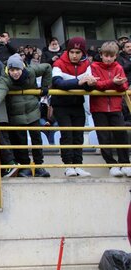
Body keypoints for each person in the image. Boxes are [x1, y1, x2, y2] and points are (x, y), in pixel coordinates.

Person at [0, 53, 52, 177]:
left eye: (17, 69)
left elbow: (47, 67)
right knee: (21, 142)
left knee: (37, 140)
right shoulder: (5, 79)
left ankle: (39, 166)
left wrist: (45, 86)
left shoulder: (31, 71)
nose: (15, 73)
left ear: (22, 68)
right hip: (16, 115)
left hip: (33, 112)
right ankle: (24, 167)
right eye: (12, 70)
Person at [52, 36, 96, 177]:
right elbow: (58, 83)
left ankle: (78, 165)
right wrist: (79, 81)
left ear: (82, 53)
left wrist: (90, 83)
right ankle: (68, 166)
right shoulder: (58, 63)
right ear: (68, 51)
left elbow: (88, 87)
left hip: (78, 104)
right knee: (67, 135)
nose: (75, 55)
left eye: (78, 52)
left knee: (78, 136)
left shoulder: (86, 65)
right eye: (72, 52)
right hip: (61, 105)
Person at [90, 41, 131, 177]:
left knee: (121, 134)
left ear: (115, 56)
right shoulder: (94, 66)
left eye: (111, 56)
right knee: (104, 137)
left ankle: (125, 163)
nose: (108, 58)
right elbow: (96, 85)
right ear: (101, 55)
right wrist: (112, 82)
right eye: (105, 55)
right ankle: (111, 164)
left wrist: (116, 84)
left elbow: (124, 86)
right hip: (98, 108)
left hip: (115, 107)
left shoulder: (118, 67)